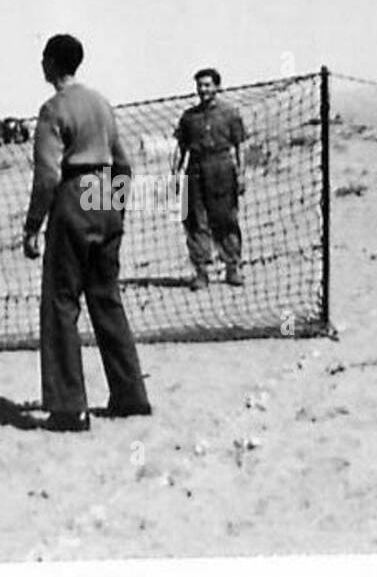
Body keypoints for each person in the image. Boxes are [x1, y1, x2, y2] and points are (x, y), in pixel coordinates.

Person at [22, 34, 151, 432]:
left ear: (50, 63)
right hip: (104, 194)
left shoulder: (52, 109)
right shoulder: (100, 103)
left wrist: (32, 226)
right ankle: (130, 396)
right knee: (106, 298)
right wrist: (115, 210)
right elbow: (124, 164)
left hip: (74, 194)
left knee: (60, 304)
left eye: (43, 59)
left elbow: (47, 176)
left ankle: (68, 408)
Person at [172, 67, 247, 289]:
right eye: (200, 85)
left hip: (222, 168)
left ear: (217, 87)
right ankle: (201, 271)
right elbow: (181, 147)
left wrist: (241, 174)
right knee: (195, 221)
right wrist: (175, 174)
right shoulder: (188, 117)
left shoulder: (230, 113)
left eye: (207, 85)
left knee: (225, 219)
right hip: (195, 169)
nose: (203, 90)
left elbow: (240, 145)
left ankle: (232, 267)